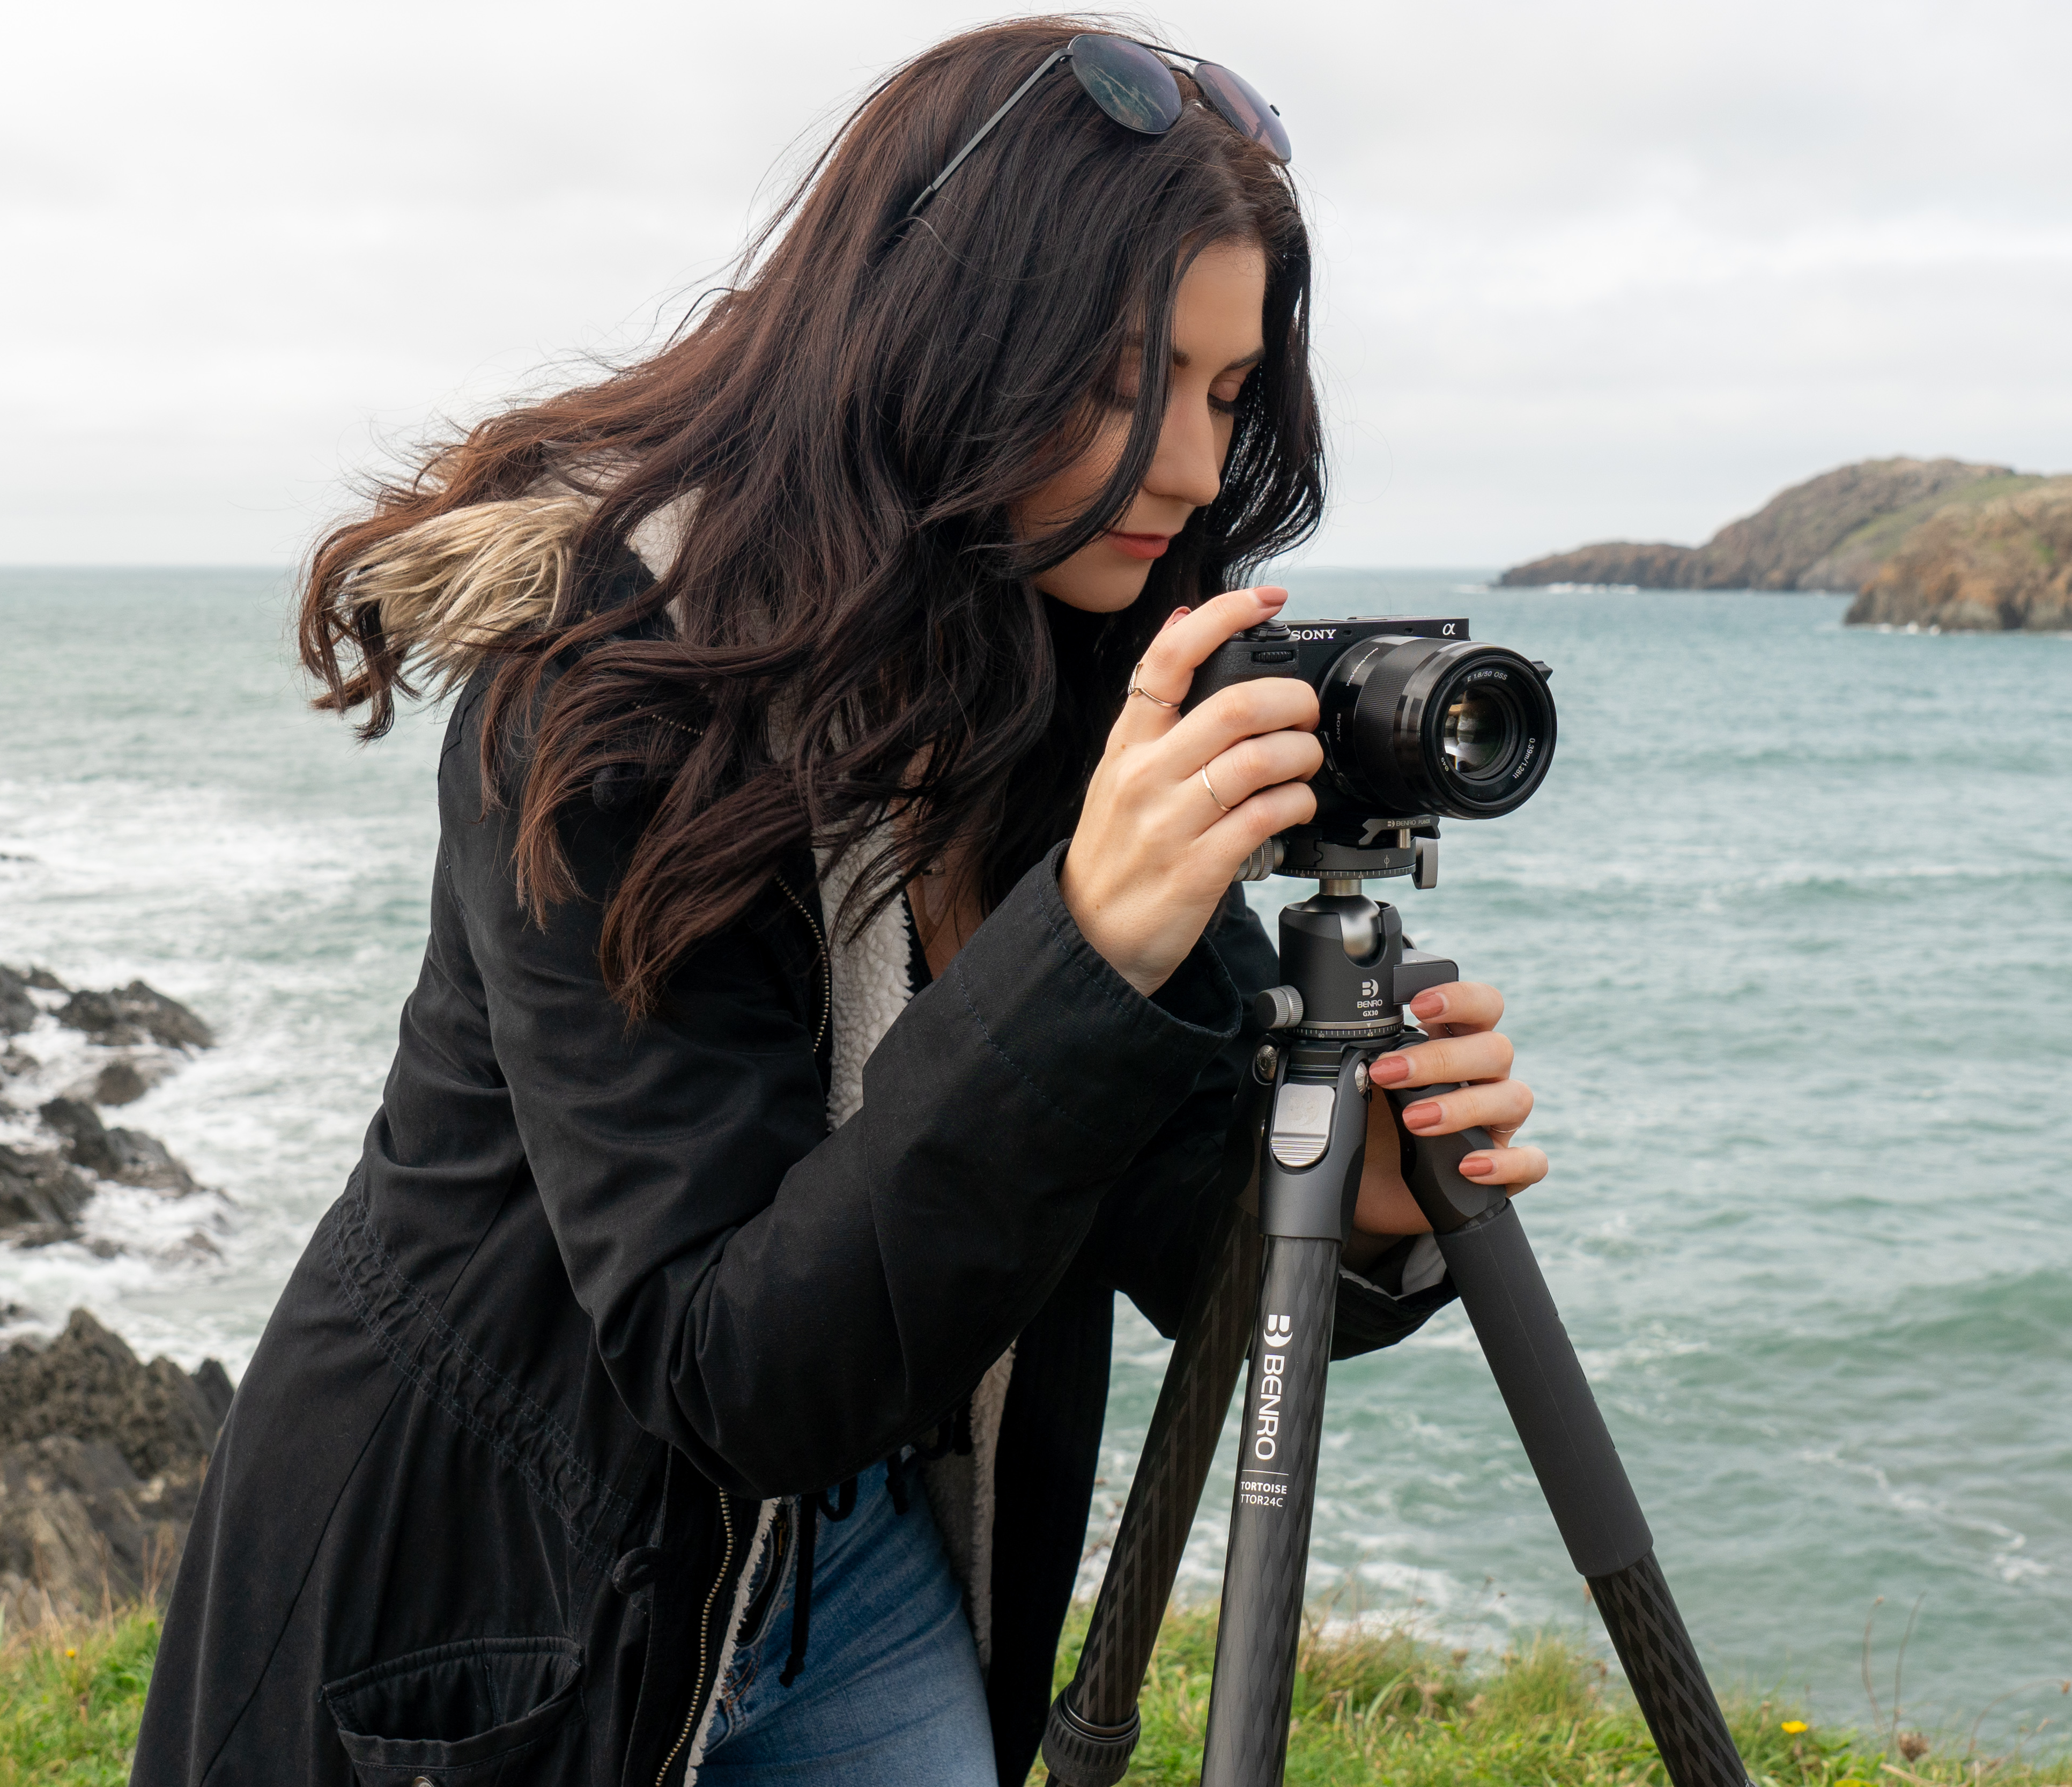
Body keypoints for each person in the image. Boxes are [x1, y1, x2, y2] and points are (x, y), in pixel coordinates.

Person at [132, 18, 1550, 1786]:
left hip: (866, 1564)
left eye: (1225, 391)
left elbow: (1159, 1193)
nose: (1191, 465)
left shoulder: (1057, 665)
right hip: (504, 1591)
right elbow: (725, 1362)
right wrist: (1085, 953)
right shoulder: (598, 693)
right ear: (952, 335)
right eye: (1129, 384)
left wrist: (1362, 1201)